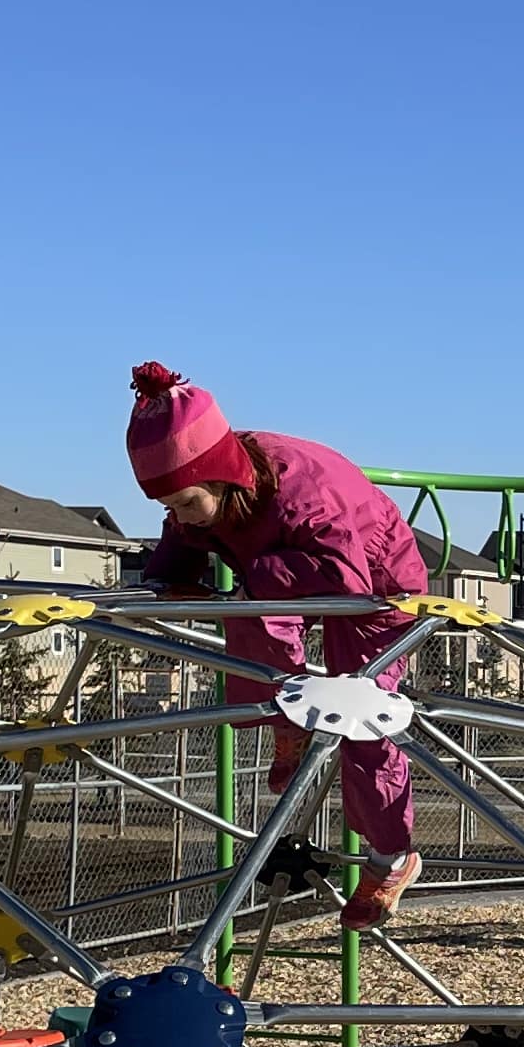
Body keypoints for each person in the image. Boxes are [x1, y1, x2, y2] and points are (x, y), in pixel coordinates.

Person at [123, 360, 428, 926]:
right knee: (251, 614)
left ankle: (392, 855)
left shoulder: (304, 495)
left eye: (185, 502)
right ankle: (287, 719)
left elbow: (344, 576)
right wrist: (167, 578)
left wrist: (256, 576)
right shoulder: (207, 494)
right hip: (291, 571)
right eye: (167, 506)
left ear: (221, 478)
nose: (178, 516)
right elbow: (187, 536)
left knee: (360, 714)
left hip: (377, 583)